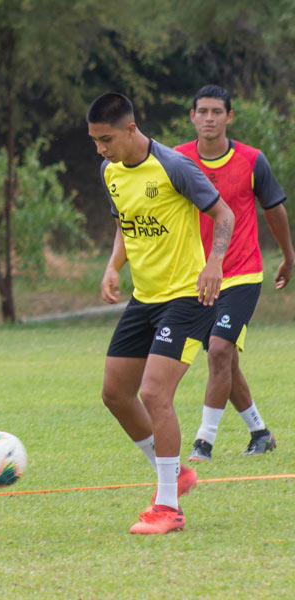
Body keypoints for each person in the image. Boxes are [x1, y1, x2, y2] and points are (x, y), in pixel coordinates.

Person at [88, 93, 235, 534]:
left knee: (154, 393)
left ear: (131, 129)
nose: (101, 149)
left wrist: (215, 263)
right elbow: (124, 222)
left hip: (188, 298)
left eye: (106, 139)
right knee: (115, 393)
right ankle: (176, 474)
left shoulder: (174, 166)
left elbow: (223, 215)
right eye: (95, 141)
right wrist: (115, 265)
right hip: (145, 298)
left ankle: (168, 507)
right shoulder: (109, 171)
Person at [175, 85, 294, 461]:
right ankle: (260, 432)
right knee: (226, 361)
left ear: (229, 117)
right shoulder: (176, 160)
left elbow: (274, 210)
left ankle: (203, 442)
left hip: (242, 273)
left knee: (219, 349)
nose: (209, 118)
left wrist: (289, 256)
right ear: (191, 117)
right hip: (196, 276)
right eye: (202, 111)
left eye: (216, 111)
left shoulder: (252, 160)